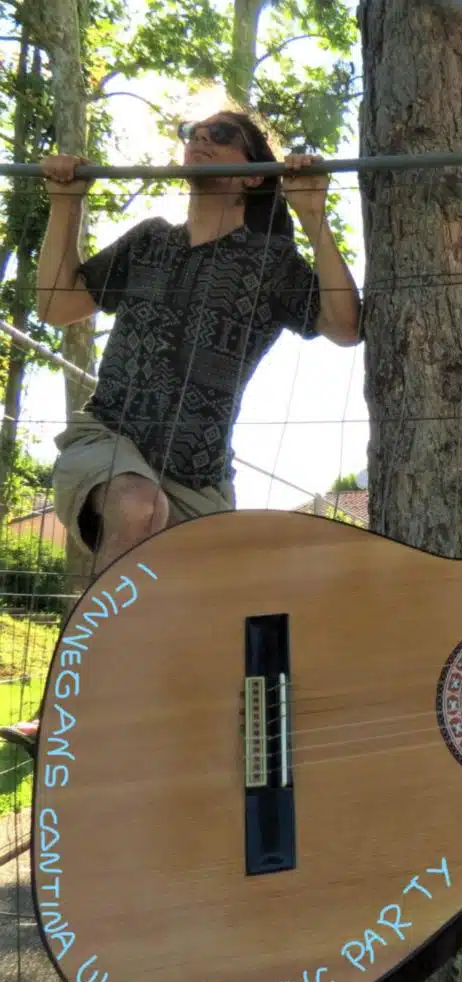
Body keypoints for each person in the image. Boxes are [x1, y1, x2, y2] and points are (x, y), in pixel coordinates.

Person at [0, 111, 362, 754]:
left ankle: (159, 745)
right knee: (137, 505)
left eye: (221, 136)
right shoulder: (149, 242)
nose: (199, 140)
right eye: (193, 132)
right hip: (109, 437)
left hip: (200, 475)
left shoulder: (270, 264)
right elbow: (57, 305)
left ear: (252, 176)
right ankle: (73, 710)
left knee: (218, 627)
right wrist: (65, 202)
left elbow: (344, 325)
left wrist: (313, 216)